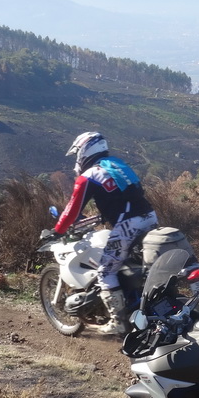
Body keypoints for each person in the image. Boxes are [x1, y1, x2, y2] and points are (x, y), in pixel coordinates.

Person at [52, 132, 158, 334]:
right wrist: (106, 214)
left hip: (127, 225)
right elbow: (129, 194)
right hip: (149, 217)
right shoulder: (119, 165)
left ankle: (118, 322)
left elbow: (72, 209)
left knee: (106, 271)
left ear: (83, 151)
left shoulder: (89, 176)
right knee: (133, 264)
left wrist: (58, 231)